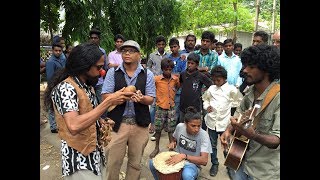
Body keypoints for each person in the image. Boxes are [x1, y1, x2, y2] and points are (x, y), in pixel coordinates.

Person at [43, 42, 133, 180]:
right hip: (79, 161)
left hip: (94, 155)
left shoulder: (87, 87)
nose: (101, 72)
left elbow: (87, 113)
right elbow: (74, 125)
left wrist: (101, 121)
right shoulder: (66, 89)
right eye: (98, 67)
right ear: (84, 66)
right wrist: (108, 102)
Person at [220, 44, 280, 180]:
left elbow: (276, 140)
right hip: (240, 160)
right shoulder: (249, 93)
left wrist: (253, 135)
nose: (245, 70)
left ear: (266, 70)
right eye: (245, 65)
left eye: (251, 67)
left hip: (263, 172)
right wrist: (228, 131)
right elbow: (238, 114)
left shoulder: (278, 98)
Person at [101, 40, 156, 180]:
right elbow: (105, 96)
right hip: (116, 125)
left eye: (131, 51)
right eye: (124, 51)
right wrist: (119, 96)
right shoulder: (112, 72)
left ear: (139, 55)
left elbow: (151, 98)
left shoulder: (147, 74)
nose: (127, 53)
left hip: (139, 125)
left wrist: (142, 99)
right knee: (113, 163)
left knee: (135, 163)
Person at [149, 106, 212, 180]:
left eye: (199, 126)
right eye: (193, 126)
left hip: (192, 164)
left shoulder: (204, 135)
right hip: (177, 157)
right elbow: (174, 139)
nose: (196, 129)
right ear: (185, 123)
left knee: (187, 175)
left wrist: (184, 156)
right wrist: (173, 143)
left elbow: (204, 161)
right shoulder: (180, 127)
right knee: (152, 163)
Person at [202, 65, 243, 177]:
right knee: (212, 145)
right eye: (214, 80)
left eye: (218, 80)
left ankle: (229, 166)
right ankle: (214, 164)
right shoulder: (211, 89)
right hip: (211, 123)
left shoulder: (231, 89)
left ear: (224, 78)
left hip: (225, 124)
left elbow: (240, 103)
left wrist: (234, 117)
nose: (216, 82)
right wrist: (207, 106)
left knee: (226, 145)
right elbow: (205, 99)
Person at [149, 58, 180, 158]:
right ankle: (156, 148)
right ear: (162, 69)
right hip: (160, 108)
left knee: (171, 130)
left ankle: (171, 148)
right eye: (166, 69)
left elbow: (177, 87)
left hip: (171, 108)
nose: (168, 71)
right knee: (158, 130)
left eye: (170, 69)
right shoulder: (157, 79)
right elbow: (151, 89)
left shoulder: (175, 79)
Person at [179, 53, 213, 123]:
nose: (189, 65)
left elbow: (211, 85)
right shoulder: (183, 74)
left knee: (194, 125)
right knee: (183, 124)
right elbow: (181, 83)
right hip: (183, 105)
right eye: (188, 63)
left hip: (195, 107)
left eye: (192, 63)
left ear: (197, 65)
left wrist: (204, 90)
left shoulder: (201, 76)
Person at [146, 35, 169, 140]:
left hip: (165, 83)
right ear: (156, 45)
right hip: (155, 82)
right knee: (153, 106)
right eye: (159, 44)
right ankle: (152, 124)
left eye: (162, 44)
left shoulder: (168, 56)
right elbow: (148, 67)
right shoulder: (152, 55)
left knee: (164, 104)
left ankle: (164, 125)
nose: (161, 46)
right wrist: (153, 76)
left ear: (165, 45)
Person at [45, 43, 67, 133]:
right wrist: (52, 88)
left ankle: (59, 124)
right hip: (53, 86)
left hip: (61, 84)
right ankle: (53, 126)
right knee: (51, 106)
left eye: (59, 51)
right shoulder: (51, 62)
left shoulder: (62, 59)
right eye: (56, 51)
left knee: (59, 105)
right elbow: (50, 77)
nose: (58, 52)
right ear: (52, 51)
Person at [89, 27, 108, 104]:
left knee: (102, 102)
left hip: (100, 82)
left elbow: (106, 66)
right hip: (88, 82)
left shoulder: (102, 51)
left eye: (95, 38)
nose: (93, 40)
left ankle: (102, 116)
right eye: (92, 38)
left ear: (99, 39)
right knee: (90, 103)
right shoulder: (86, 51)